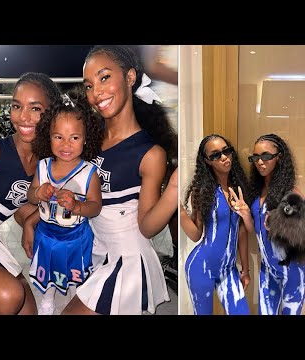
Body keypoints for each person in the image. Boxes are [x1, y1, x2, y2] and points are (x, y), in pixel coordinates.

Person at [62, 45, 178, 315]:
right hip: (98, 253)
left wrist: (173, 189)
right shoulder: (89, 137)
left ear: (130, 77)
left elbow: (147, 227)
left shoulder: (149, 153)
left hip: (128, 263)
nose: (96, 93)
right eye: (89, 85)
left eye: (104, 78)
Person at [0, 72, 61, 315]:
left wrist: (30, 220)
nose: (24, 116)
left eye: (35, 108)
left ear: (51, 114)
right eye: (17, 106)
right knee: (9, 297)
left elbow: (14, 202)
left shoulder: (44, 163)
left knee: (27, 312)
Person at [22, 90, 103, 315]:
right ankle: (48, 297)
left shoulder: (89, 172)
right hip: (46, 234)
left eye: (74, 138)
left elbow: (95, 206)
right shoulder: (43, 166)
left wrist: (77, 206)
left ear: (85, 139)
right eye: (58, 137)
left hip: (76, 236)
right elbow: (29, 195)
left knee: (74, 270)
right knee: (49, 269)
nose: (66, 144)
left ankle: (79, 296)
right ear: (48, 137)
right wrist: (39, 192)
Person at [231, 134, 305, 315]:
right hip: (268, 270)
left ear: (279, 157)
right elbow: (254, 230)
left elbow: (299, 233)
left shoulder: (291, 193)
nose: (260, 162)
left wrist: (278, 219)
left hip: (292, 270)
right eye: (255, 157)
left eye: (266, 156)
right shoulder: (256, 190)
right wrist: (246, 214)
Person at [181, 134, 251, 315]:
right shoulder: (203, 191)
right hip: (201, 267)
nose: (224, 157)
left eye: (226, 151)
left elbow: (242, 232)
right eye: (215, 155)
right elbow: (196, 234)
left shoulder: (238, 189)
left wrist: (245, 269)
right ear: (207, 161)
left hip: (229, 269)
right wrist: (180, 212)